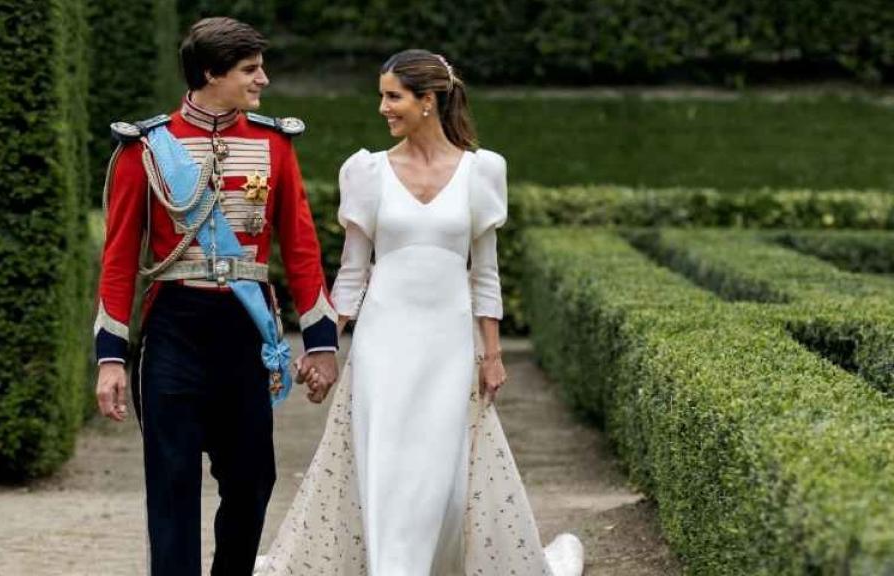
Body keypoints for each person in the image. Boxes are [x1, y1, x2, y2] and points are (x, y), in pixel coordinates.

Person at [256, 50, 585, 575]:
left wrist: (493, 354)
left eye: (393, 96)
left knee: (443, 477)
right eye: (382, 96)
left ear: (428, 101)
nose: (383, 108)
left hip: (450, 345)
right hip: (384, 342)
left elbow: (485, 274)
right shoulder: (366, 171)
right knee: (384, 466)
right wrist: (322, 342)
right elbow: (352, 274)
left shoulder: (483, 171)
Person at [92, 17, 339, 576]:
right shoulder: (147, 149)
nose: (264, 80)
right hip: (175, 328)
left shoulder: (274, 143)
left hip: (245, 331)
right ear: (211, 72)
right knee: (172, 483)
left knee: (253, 479)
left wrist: (321, 343)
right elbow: (118, 260)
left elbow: (300, 249)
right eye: (251, 70)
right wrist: (110, 359)